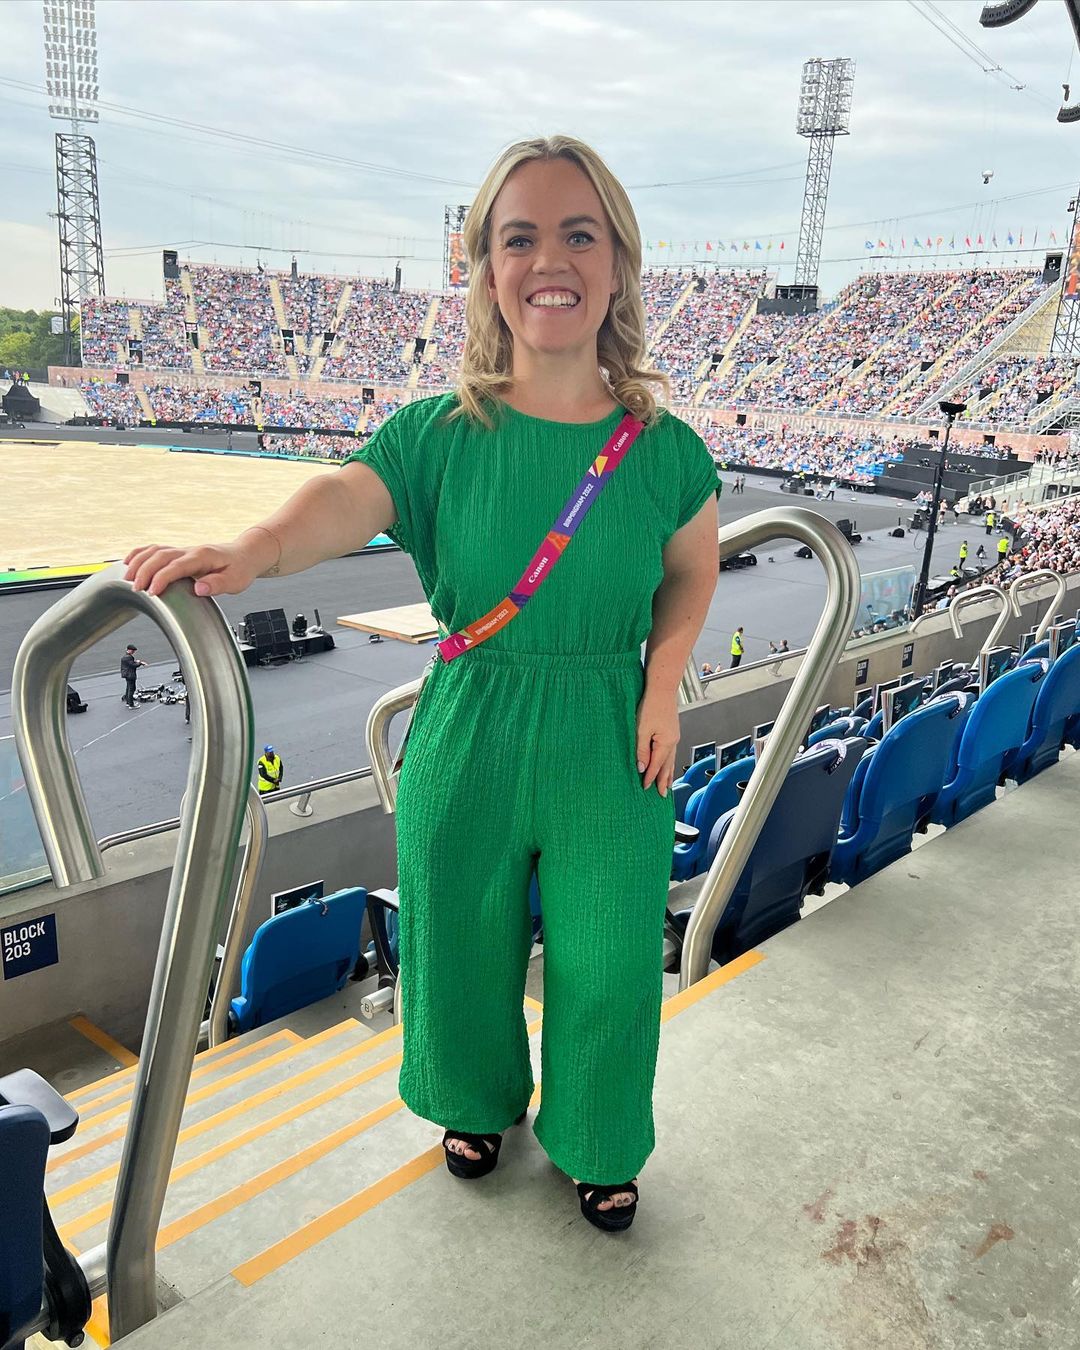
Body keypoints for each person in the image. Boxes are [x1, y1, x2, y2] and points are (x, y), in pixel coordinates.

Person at [120, 135, 720, 1234]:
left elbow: (693, 570)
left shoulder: (667, 450)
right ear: (486, 269)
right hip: (469, 718)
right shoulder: (438, 434)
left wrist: (663, 681)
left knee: (611, 959)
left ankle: (597, 1137)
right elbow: (343, 501)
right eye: (519, 238)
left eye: (579, 234)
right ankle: (474, 1101)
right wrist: (252, 548)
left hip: (609, 731)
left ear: (618, 262)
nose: (549, 260)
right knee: (456, 939)